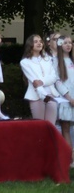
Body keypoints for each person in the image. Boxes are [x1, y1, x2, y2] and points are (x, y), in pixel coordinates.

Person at [20, 34, 63, 126]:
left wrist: (42, 82)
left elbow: (53, 77)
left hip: (52, 95)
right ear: (30, 45)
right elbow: (34, 81)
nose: (39, 43)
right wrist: (44, 95)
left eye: (40, 41)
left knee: (51, 126)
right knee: (40, 126)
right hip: (36, 96)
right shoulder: (25, 62)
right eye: (35, 42)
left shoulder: (48, 59)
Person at [54, 35, 74, 166]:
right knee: (65, 128)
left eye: (70, 43)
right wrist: (69, 97)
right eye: (65, 43)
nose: (68, 45)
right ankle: (69, 158)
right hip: (66, 99)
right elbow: (57, 82)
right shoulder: (56, 61)